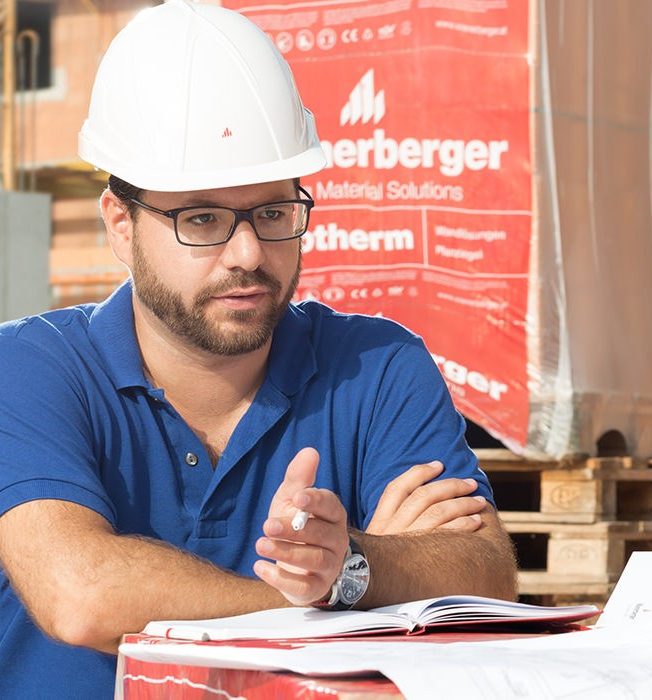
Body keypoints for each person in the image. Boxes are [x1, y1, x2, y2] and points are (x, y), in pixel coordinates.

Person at [0, 2, 516, 696]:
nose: (247, 253)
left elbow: (483, 572)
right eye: (202, 219)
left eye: (272, 213)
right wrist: (334, 596)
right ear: (120, 224)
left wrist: (352, 560)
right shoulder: (31, 370)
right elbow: (82, 594)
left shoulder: (378, 367)